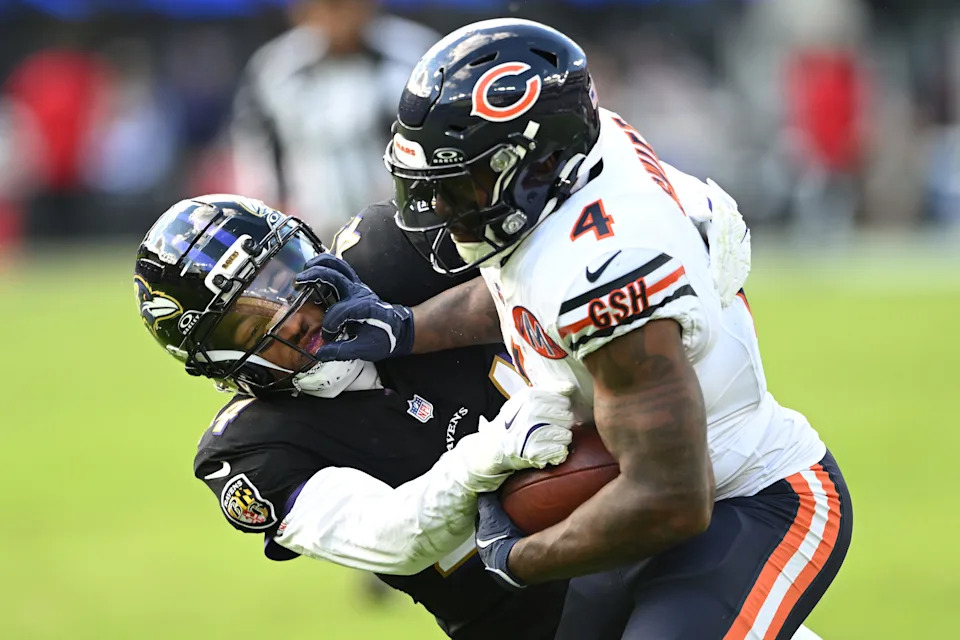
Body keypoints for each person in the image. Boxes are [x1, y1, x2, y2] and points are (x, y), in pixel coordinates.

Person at [294, 19, 852, 640]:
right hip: (644, 498)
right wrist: (406, 328)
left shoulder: (608, 273)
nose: (446, 210)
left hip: (749, 497)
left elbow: (673, 496)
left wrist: (512, 560)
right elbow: (522, 294)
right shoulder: (569, 161)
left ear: (531, 165)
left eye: (463, 185)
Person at [132, 194, 574, 639]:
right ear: (224, 367)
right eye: (252, 329)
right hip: (537, 625)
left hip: (629, 510)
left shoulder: (388, 249)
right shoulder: (250, 450)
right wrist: (494, 452)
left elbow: (558, 282)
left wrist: (411, 323)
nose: (290, 320)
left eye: (283, 280)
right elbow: (396, 538)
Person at [230, 0, 437, 241]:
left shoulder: (413, 55)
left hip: (403, 225)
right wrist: (268, 213)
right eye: (326, 6)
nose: (336, 17)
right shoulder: (276, 67)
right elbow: (255, 147)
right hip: (312, 227)